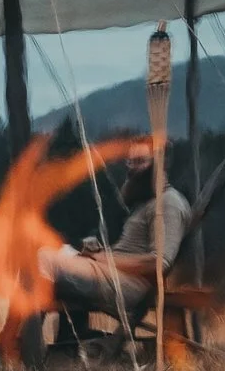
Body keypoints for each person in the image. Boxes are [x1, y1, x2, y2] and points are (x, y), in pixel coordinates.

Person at [38, 137, 191, 319]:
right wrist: (99, 254)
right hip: (112, 273)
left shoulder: (168, 203)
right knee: (48, 249)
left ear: (161, 164)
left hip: (129, 284)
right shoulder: (147, 201)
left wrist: (103, 258)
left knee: (45, 258)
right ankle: (40, 338)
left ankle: (15, 339)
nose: (132, 168)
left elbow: (159, 263)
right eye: (130, 161)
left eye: (140, 161)